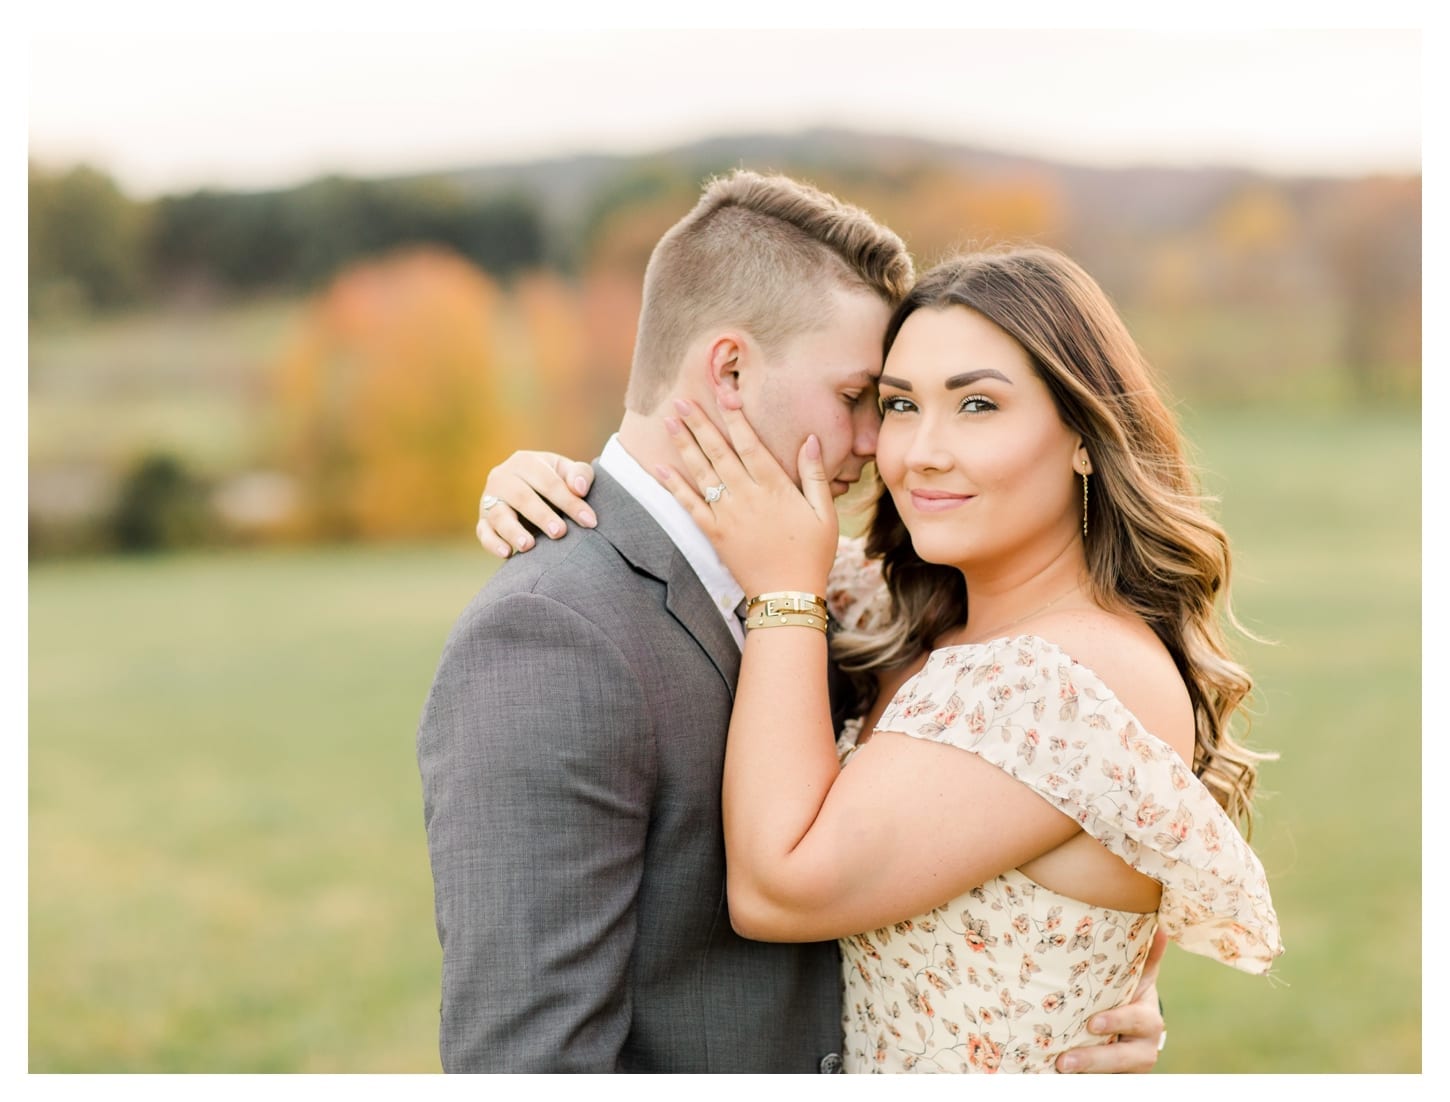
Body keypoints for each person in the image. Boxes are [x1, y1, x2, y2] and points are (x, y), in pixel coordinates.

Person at [421, 172, 1169, 1072]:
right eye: (872, 398)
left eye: (959, 404)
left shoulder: (821, 597)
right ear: (730, 371)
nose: (883, 447)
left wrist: (1060, 983)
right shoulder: (553, 635)